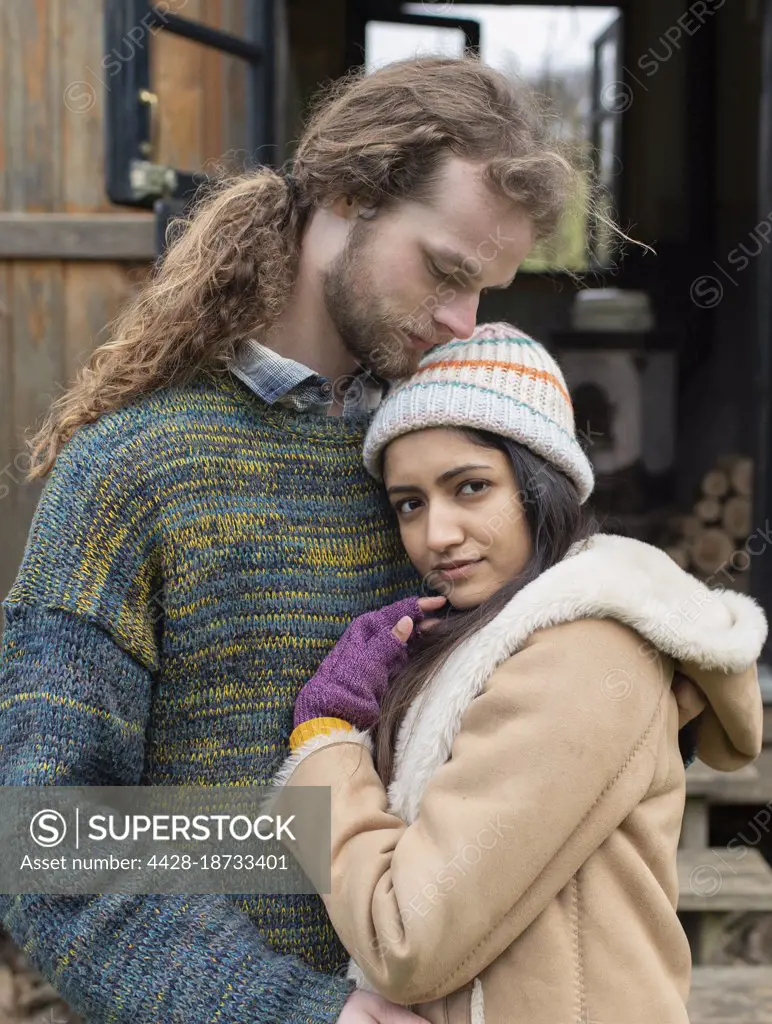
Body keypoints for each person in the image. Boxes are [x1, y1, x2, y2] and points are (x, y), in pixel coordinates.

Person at [0, 54, 700, 1024]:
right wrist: (291, 1005)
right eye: (446, 271)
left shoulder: (451, 475)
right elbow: (45, 836)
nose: (463, 320)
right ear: (341, 191)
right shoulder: (130, 472)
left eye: (485, 290)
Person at [275, 322, 766, 1024]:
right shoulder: (491, 637)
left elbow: (406, 941)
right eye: (409, 503)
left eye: (470, 487)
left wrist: (325, 740)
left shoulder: (587, 651)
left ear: (541, 484)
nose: (436, 534)